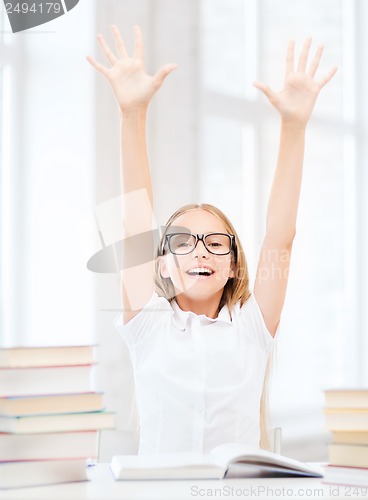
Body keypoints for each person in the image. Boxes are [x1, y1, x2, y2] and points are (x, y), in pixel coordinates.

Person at [87, 25, 336, 455]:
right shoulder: (147, 323)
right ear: (162, 264)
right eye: (182, 242)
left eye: (216, 243)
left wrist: (294, 126)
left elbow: (281, 238)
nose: (200, 250)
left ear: (234, 264)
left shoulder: (253, 329)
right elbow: (133, 226)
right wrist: (132, 116)